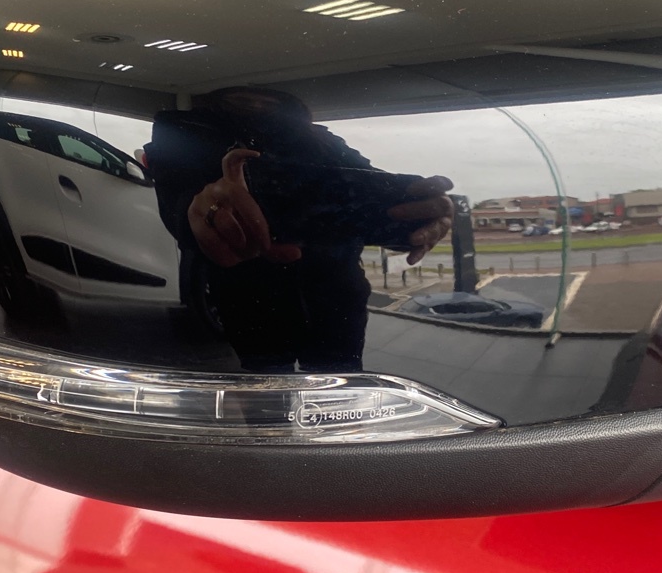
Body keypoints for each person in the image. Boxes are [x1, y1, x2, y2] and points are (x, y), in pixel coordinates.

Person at [146, 87, 453, 372]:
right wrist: (202, 213)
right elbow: (178, 201)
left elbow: (368, 191)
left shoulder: (324, 141)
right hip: (252, 301)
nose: (258, 105)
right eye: (241, 98)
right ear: (216, 100)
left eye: (271, 100)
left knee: (335, 389)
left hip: (335, 299)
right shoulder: (191, 134)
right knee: (267, 386)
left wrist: (418, 214)